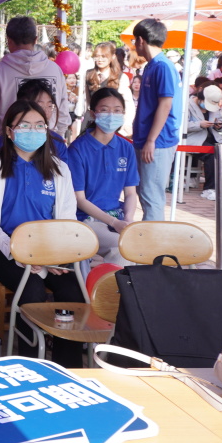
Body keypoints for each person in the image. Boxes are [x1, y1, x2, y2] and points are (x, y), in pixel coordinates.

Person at [0, 100, 83, 366]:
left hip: (50, 250)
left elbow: (67, 220)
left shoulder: (59, 169)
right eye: (24, 126)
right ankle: (28, 365)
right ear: (9, 131)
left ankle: (67, 368)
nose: (32, 131)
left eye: (39, 125)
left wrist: (53, 255)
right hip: (3, 247)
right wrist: (17, 252)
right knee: (32, 291)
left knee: (73, 291)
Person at [69, 88, 137, 263]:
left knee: (140, 247)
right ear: (93, 113)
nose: (111, 115)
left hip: (117, 217)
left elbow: (130, 193)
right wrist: (114, 223)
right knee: (121, 248)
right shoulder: (78, 149)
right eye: (105, 110)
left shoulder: (126, 148)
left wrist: (128, 220)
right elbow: (80, 199)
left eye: (117, 110)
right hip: (85, 219)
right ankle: (111, 281)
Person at [0, 16, 68, 140]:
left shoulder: (0, 71)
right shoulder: (54, 69)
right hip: (47, 141)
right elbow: (63, 113)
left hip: (8, 143)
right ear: (35, 39)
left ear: (9, 40)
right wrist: (57, 139)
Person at [131, 19, 182, 223]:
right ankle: (151, 236)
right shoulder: (152, 66)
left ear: (140, 40)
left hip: (158, 141)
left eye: (134, 40)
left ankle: (155, 240)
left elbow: (165, 104)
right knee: (145, 193)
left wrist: (151, 140)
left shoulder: (162, 66)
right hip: (147, 139)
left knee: (151, 197)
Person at [79, 42, 135, 136]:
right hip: (91, 121)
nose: (100, 59)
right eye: (97, 56)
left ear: (112, 57)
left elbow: (128, 104)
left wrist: (127, 123)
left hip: (111, 123)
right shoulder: (89, 74)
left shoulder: (120, 77)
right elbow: (88, 101)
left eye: (103, 56)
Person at [186, 85, 222, 201]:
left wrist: (218, 126)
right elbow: (181, 125)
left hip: (213, 137)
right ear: (200, 98)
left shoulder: (215, 106)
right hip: (193, 139)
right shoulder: (187, 105)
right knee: (212, 153)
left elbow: (220, 122)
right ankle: (210, 188)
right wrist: (199, 125)